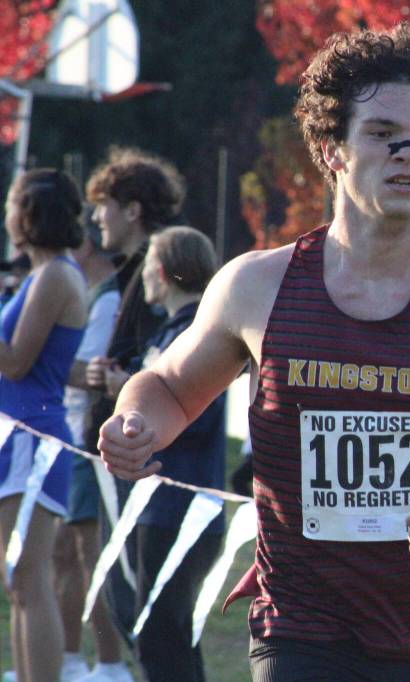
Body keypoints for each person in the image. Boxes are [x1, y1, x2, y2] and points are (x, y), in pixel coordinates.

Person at [97, 23, 410, 681]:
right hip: (301, 628)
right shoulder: (257, 284)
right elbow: (169, 388)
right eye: (383, 134)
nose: (408, 153)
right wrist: (136, 424)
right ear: (332, 150)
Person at [97, 227, 224, 682]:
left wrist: (146, 417)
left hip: (177, 509)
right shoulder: (172, 331)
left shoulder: (197, 333)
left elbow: (198, 415)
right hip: (160, 508)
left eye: (150, 262)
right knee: (166, 638)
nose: (144, 273)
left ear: (167, 270)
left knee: (160, 639)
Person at [84, 146, 182, 642]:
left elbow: (172, 355)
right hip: (125, 453)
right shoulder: (127, 272)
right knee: (129, 610)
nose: (96, 216)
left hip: (148, 461)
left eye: (104, 203)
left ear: (132, 209)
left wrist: (126, 380)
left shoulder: (165, 265)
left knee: (146, 620)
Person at [0, 169, 88, 682]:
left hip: (35, 440)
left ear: (31, 212)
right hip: (17, 438)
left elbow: (14, 362)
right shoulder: (41, 275)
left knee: (30, 580)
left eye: (12, 204)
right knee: (19, 583)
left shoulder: (56, 274)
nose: (6, 215)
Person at [53, 214, 132, 682]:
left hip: (86, 439)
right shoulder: (92, 294)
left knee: (90, 554)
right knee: (66, 554)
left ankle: (108, 664)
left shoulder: (107, 299)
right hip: (70, 435)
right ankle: (67, 660)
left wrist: (42, 361)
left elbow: (93, 373)